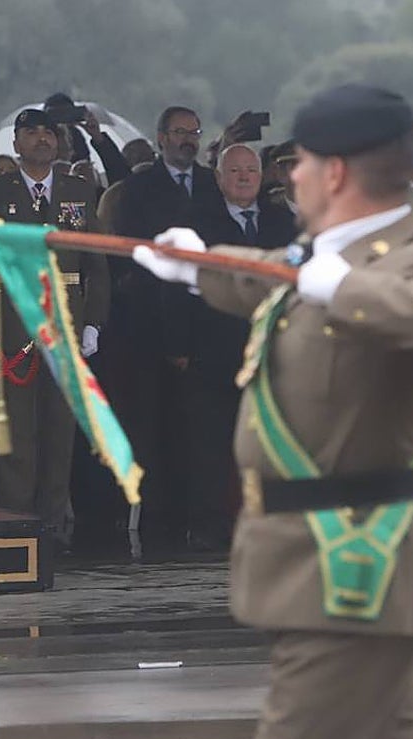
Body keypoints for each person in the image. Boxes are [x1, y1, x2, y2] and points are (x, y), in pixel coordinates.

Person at [133, 84, 413, 739]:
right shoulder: (326, 256)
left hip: (352, 570)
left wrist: (349, 291)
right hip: (319, 566)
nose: (286, 178)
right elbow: (273, 278)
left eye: (297, 164)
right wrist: (198, 266)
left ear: (334, 173)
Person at [0, 108, 110, 546]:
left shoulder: (79, 191)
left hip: (65, 323)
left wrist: (93, 323)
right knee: (16, 428)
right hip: (12, 320)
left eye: (49, 132)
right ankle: (15, 524)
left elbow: (95, 263)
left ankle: (51, 525)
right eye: (32, 133)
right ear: (17, 143)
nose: (42, 139)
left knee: (59, 428)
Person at [171, 143, 296, 550]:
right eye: (235, 171)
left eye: (251, 171)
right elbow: (176, 286)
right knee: (212, 444)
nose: (244, 177)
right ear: (220, 178)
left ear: (263, 178)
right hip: (213, 349)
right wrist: (180, 344)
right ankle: (209, 526)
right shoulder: (196, 222)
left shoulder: (283, 223)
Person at [114, 105, 223, 542]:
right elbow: (132, 250)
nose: (188, 140)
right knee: (153, 425)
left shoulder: (211, 188)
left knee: (197, 428)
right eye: (179, 132)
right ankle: (157, 519)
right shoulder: (140, 187)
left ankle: (198, 514)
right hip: (150, 323)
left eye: (194, 133)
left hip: (202, 324)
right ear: (160, 138)